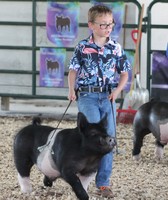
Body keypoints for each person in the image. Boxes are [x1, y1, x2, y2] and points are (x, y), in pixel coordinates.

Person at [68, 4, 131, 198]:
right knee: (92, 135)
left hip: (107, 97)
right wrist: (71, 89)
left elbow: (125, 74)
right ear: (91, 25)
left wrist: (118, 91)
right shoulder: (82, 47)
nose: (107, 27)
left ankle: (103, 182)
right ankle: (81, 173)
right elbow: (73, 70)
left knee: (109, 138)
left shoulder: (116, 47)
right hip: (87, 96)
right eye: (103, 24)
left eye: (110, 24)